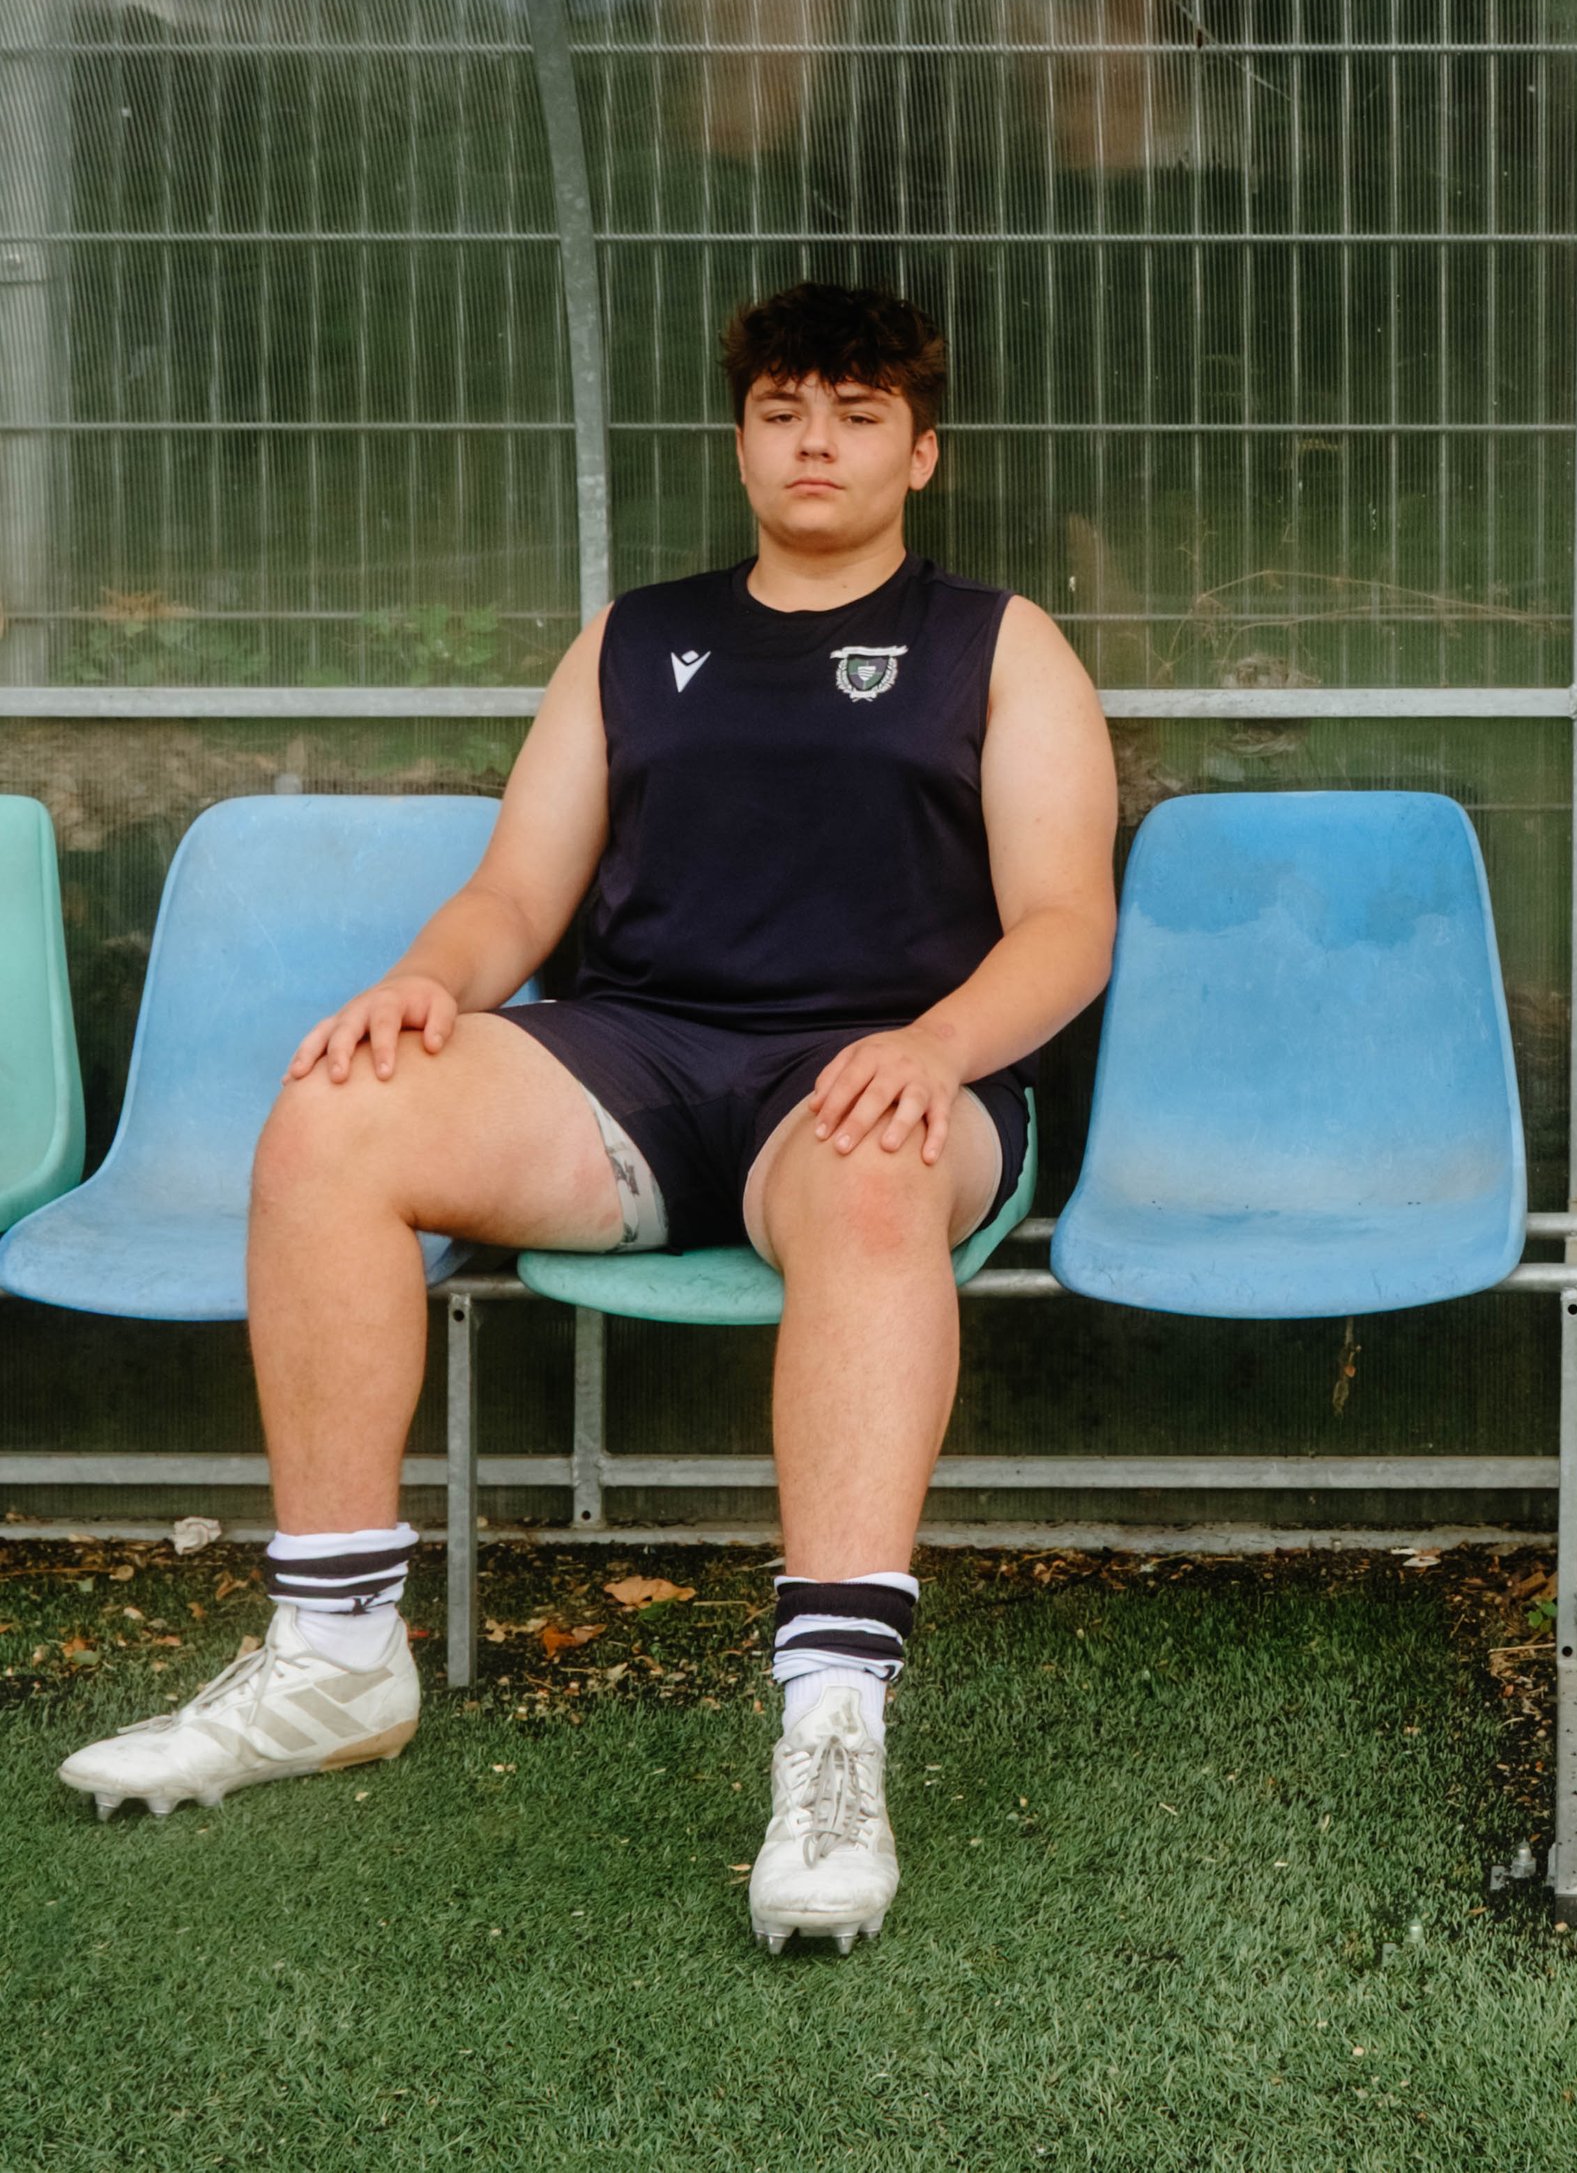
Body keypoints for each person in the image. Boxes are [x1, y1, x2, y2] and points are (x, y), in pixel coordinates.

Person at [58, 281, 1119, 1958]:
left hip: (884, 1070)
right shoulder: (639, 637)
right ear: (743, 440)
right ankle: (336, 1652)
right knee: (338, 1109)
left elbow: (1067, 922)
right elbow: (515, 890)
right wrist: (424, 981)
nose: (814, 440)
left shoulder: (996, 640)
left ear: (923, 450)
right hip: (636, 1058)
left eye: (853, 412)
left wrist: (933, 1044)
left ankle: (832, 1732)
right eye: (782, 410)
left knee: (864, 1168)